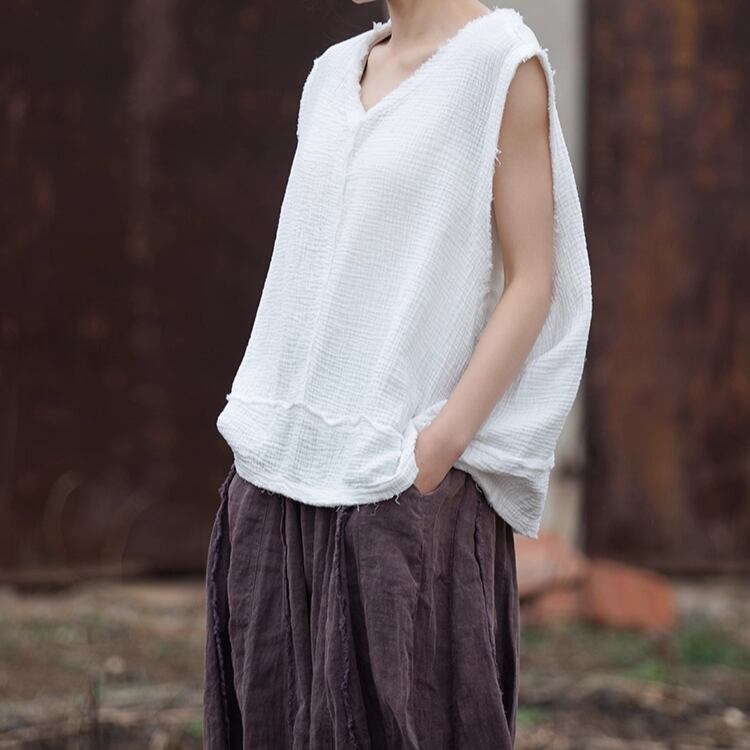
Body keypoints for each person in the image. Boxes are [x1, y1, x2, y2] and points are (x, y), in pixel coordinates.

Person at [203, 1, 592, 748]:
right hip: (276, 480)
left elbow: (534, 281)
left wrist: (434, 453)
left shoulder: (498, 62)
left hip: (397, 494)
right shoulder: (332, 74)